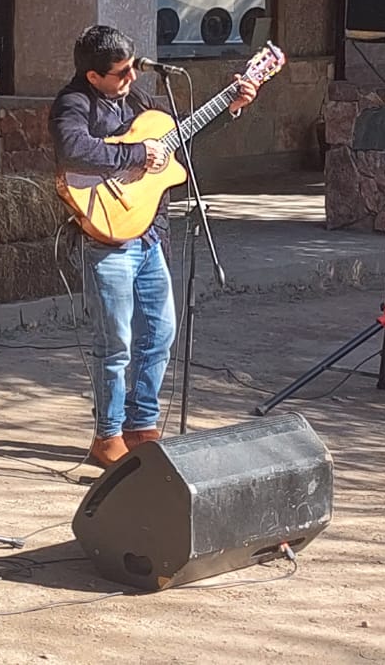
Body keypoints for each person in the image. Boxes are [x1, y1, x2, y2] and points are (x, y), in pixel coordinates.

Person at [49, 25, 260, 468]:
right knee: (115, 343)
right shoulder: (74, 103)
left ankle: (140, 426)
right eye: (120, 72)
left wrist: (231, 106)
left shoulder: (140, 99)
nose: (130, 76)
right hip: (107, 237)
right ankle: (106, 436)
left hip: (151, 235)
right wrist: (136, 155)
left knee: (160, 335)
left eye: (132, 66)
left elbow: (180, 135)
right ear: (93, 76)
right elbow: (72, 149)